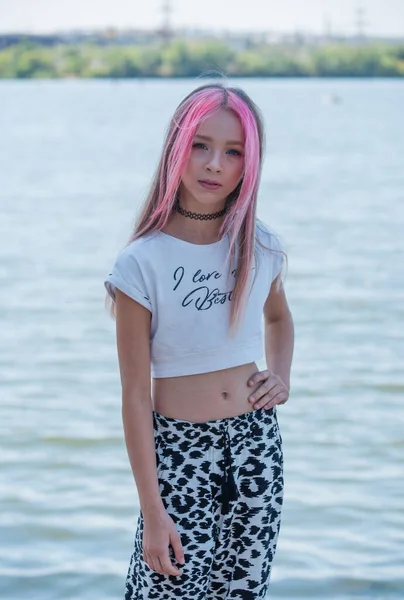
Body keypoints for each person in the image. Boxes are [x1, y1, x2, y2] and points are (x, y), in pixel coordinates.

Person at [104, 81, 295, 599]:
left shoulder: (260, 246)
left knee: (241, 593)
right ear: (176, 147)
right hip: (179, 454)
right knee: (167, 589)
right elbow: (135, 396)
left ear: (248, 164)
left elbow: (278, 320)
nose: (214, 164)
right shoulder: (141, 263)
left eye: (234, 152)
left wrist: (281, 377)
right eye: (200, 145)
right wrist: (152, 510)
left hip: (256, 447)